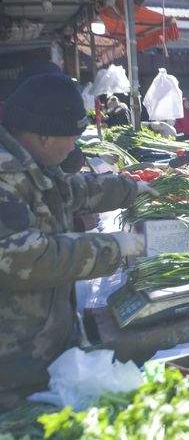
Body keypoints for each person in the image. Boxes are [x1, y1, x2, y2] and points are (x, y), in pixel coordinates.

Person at [0, 71, 151, 407]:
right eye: (71, 137)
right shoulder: (5, 175)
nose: (74, 147)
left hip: (42, 343)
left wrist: (131, 190)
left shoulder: (29, 163)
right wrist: (114, 248)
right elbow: (26, 259)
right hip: (13, 363)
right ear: (43, 137)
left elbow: (70, 190)